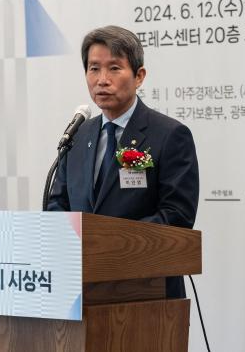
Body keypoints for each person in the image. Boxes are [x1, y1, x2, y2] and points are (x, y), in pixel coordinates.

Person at [46, 25, 199, 298]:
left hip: (146, 290)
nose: (102, 79)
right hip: (79, 290)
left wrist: (109, 245)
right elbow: (58, 204)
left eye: (114, 68)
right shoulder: (77, 135)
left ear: (139, 76)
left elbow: (176, 217)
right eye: (94, 68)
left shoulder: (170, 135)